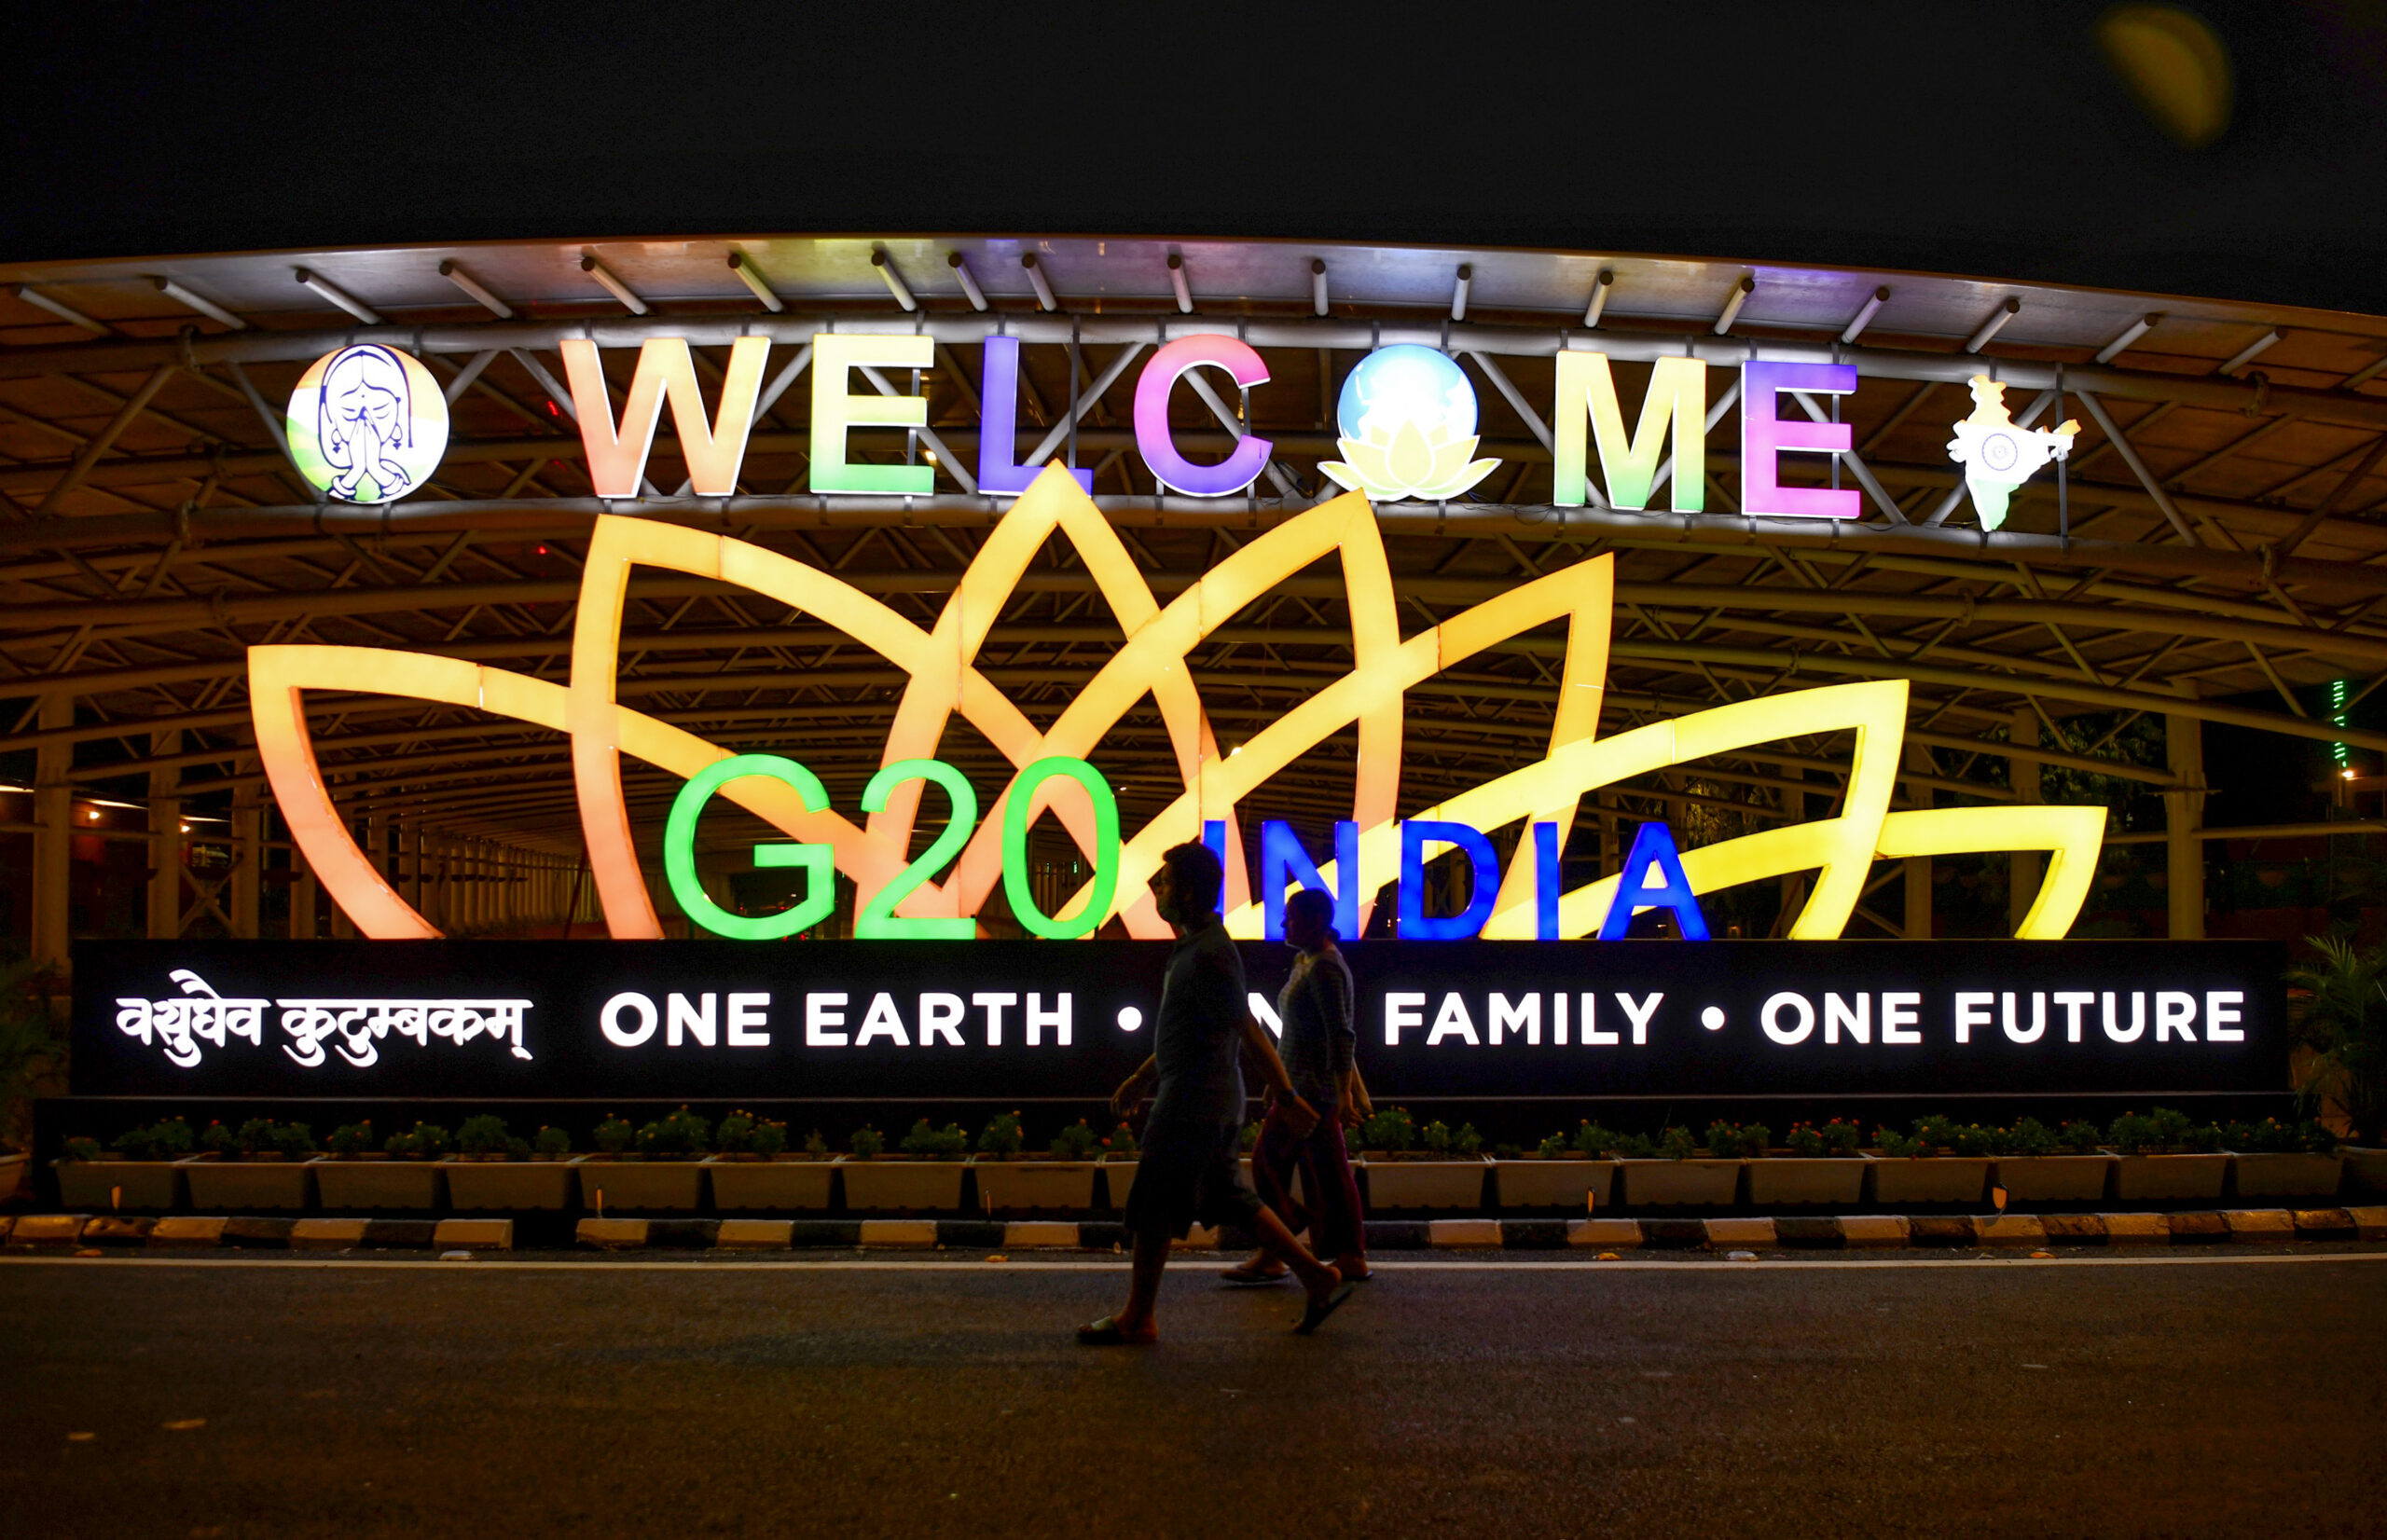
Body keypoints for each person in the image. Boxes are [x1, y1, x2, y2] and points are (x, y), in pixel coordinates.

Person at [1079, 842, 1356, 1344]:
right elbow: (1186, 1030)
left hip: (1195, 1100)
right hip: (1193, 1092)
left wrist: (1288, 1096)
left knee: (1153, 1203)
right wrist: (1144, 1077)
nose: (1156, 891)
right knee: (1227, 1196)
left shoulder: (1212, 952)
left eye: (1163, 883)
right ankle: (1318, 1276)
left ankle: (1138, 1318)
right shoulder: (1193, 947)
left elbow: (1246, 1028)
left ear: (1186, 890)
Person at [1223, 886, 1372, 1286]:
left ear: (1316, 922)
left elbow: (1340, 1033)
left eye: (1292, 916)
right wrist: (1279, 1079)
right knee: (1311, 1169)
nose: (1284, 922)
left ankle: (1307, 1249)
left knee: (1287, 1166)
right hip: (1300, 1086)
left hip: (1315, 1091)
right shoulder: (1304, 961)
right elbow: (1299, 1031)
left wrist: (1344, 1092)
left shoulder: (1325, 968)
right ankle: (1288, 1250)